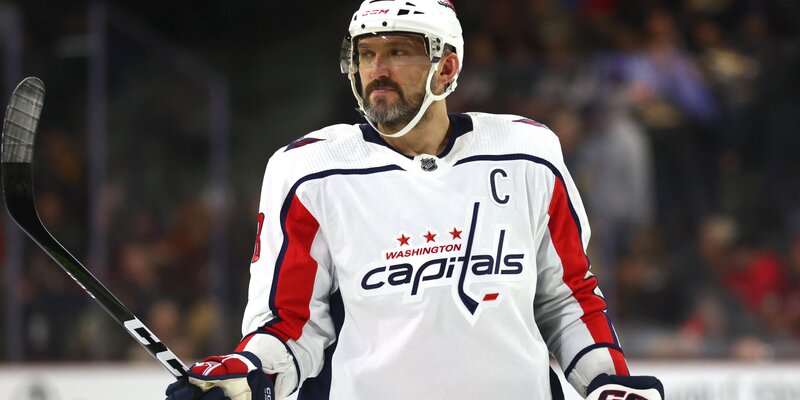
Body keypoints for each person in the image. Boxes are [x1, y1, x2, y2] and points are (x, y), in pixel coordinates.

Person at [166, 1, 664, 399]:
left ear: (447, 68)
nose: (376, 70)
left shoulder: (527, 154)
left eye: (398, 52)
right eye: (366, 54)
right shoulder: (309, 172)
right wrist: (248, 374)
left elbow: (567, 296)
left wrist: (608, 381)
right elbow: (290, 324)